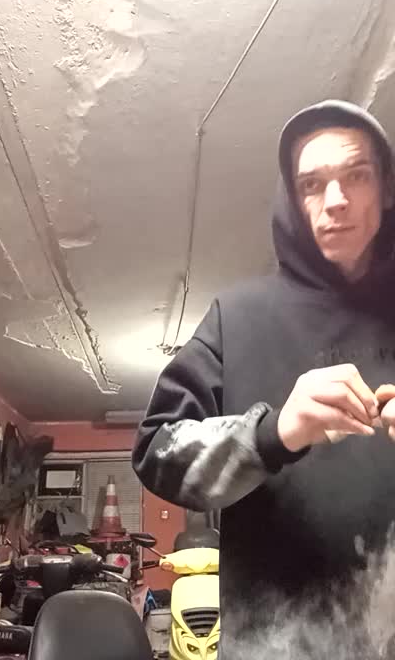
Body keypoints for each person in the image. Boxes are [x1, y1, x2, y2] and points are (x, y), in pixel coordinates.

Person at [132, 100, 395, 659]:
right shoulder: (238, 318)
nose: (336, 199)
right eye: (312, 183)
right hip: (273, 645)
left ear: (386, 188)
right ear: (293, 200)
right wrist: (273, 434)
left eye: (356, 175)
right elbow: (156, 452)